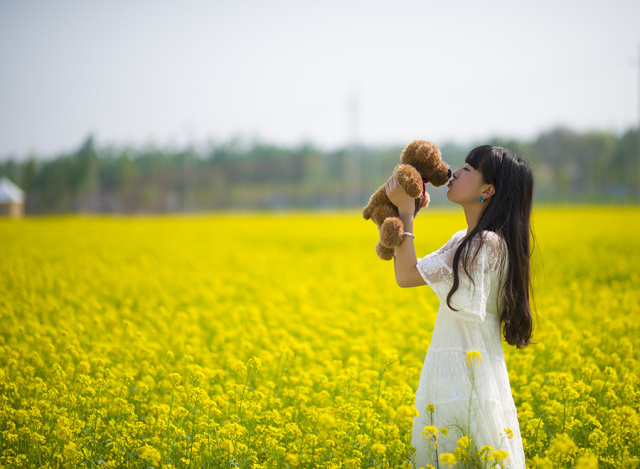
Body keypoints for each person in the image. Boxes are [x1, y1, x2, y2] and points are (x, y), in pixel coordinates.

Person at [384, 145, 533, 469]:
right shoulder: (464, 238)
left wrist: (407, 213)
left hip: (466, 380)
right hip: (450, 372)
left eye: (468, 169)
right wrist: (401, 213)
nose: (454, 172)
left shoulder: (485, 243)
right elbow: (406, 276)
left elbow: (407, 274)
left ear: (487, 190)